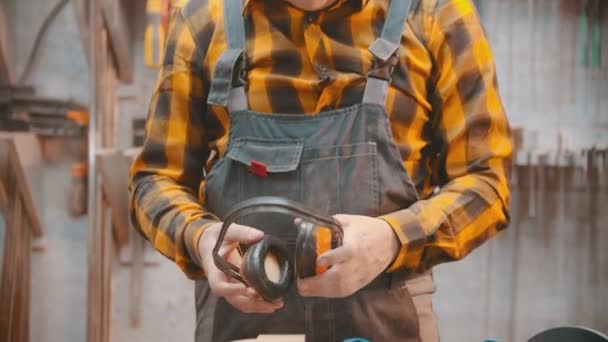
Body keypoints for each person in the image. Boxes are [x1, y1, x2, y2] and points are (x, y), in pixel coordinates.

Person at [129, 0, 512, 340]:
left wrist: (394, 238)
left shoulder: (436, 15)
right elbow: (155, 180)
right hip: (244, 326)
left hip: (388, 322)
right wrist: (201, 238)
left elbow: (486, 182)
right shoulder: (203, 21)